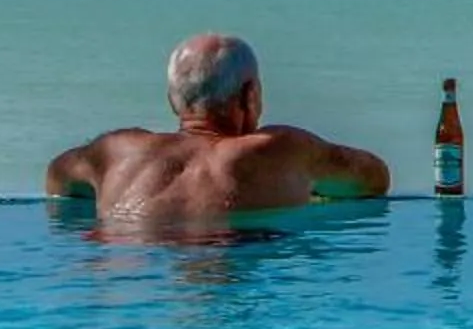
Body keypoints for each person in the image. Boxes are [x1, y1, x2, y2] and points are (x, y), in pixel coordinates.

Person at [44, 33, 390, 220]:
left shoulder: (115, 150)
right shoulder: (281, 148)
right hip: (237, 256)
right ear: (250, 94)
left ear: (172, 98)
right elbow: (373, 179)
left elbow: (57, 179)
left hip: (134, 273)